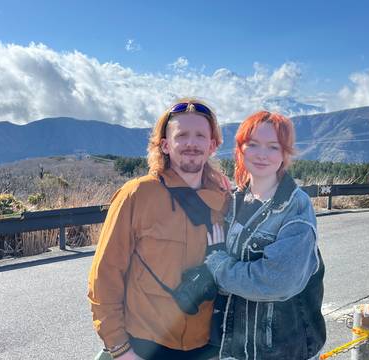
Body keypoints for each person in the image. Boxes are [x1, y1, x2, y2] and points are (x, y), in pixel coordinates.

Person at [88, 98, 229, 360]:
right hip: (144, 346)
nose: (191, 143)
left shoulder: (224, 201)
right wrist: (119, 349)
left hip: (207, 347)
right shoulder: (137, 194)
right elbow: (104, 276)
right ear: (165, 144)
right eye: (181, 135)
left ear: (212, 145)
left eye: (200, 135)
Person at [205, 111, 326, 360]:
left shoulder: (295, 208)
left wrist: (218, 268)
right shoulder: (233, 201)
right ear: (240, 149)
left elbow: (276, 281)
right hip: (232, 347)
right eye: (253, 145)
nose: (262, 154)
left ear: (284, 154)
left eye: (273, 147)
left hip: (282, 351)